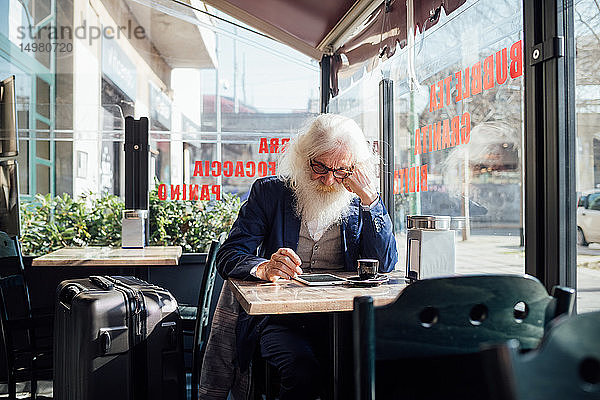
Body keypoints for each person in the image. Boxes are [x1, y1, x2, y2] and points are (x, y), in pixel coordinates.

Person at [215, 113, 398, 399]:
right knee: (302, 371)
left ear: (355, 169)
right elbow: (229, 255)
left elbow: (384, 264)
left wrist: (370, 200)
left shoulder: (362, 202)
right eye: (320, 166)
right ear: (303, 157)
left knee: (365, 370)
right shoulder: (270, 192)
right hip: (280, 319)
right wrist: (264, 267)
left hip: (343, 319)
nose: (328, 179)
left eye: (341, 171)